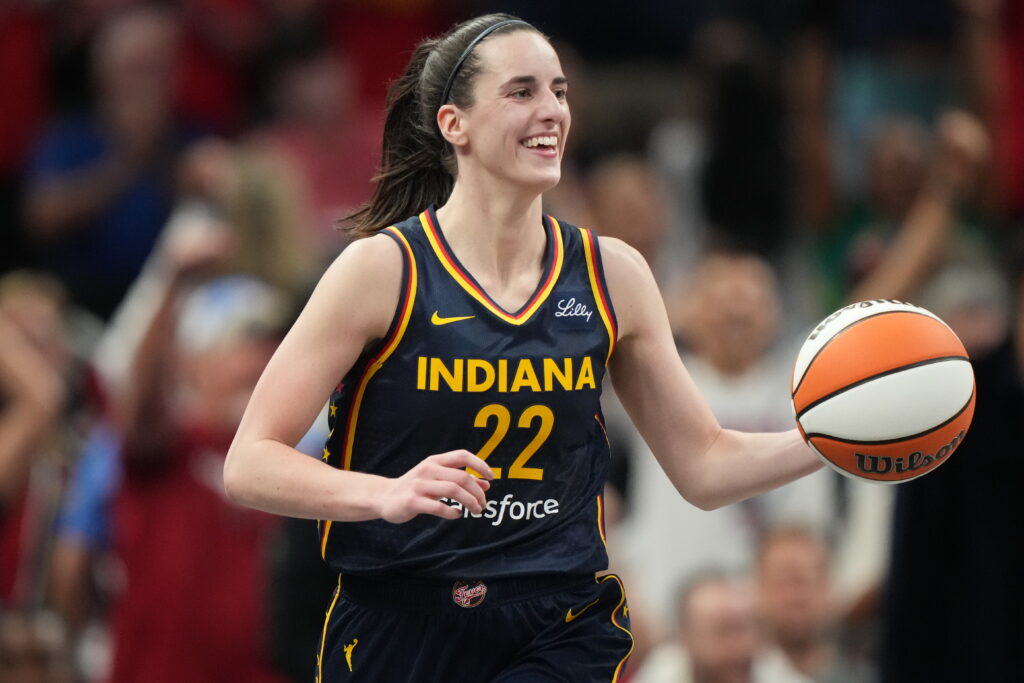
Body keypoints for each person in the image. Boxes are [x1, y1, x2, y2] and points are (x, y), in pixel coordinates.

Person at [224, 14, 823, 682]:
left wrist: (832, 441)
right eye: (523, 92)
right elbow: (249, 461)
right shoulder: (382, 270)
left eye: (560, 92)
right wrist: (383, 493)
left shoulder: (612, 274)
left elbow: (705, 464)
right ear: (456, 124)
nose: (552, 111)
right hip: (402, 618)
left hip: (556, 621)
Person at [633, 571, 810, 683]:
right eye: (723, 631)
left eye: (744, 628)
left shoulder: (774, 671)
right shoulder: (661, 673)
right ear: (685, 638)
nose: (738, 646)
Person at [755, 528, 875, 683]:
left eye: (804, 581)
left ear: (828, 588)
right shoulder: (729, 675)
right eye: (782, 582)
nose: (794, 597)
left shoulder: (869, 677)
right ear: (758, 589)